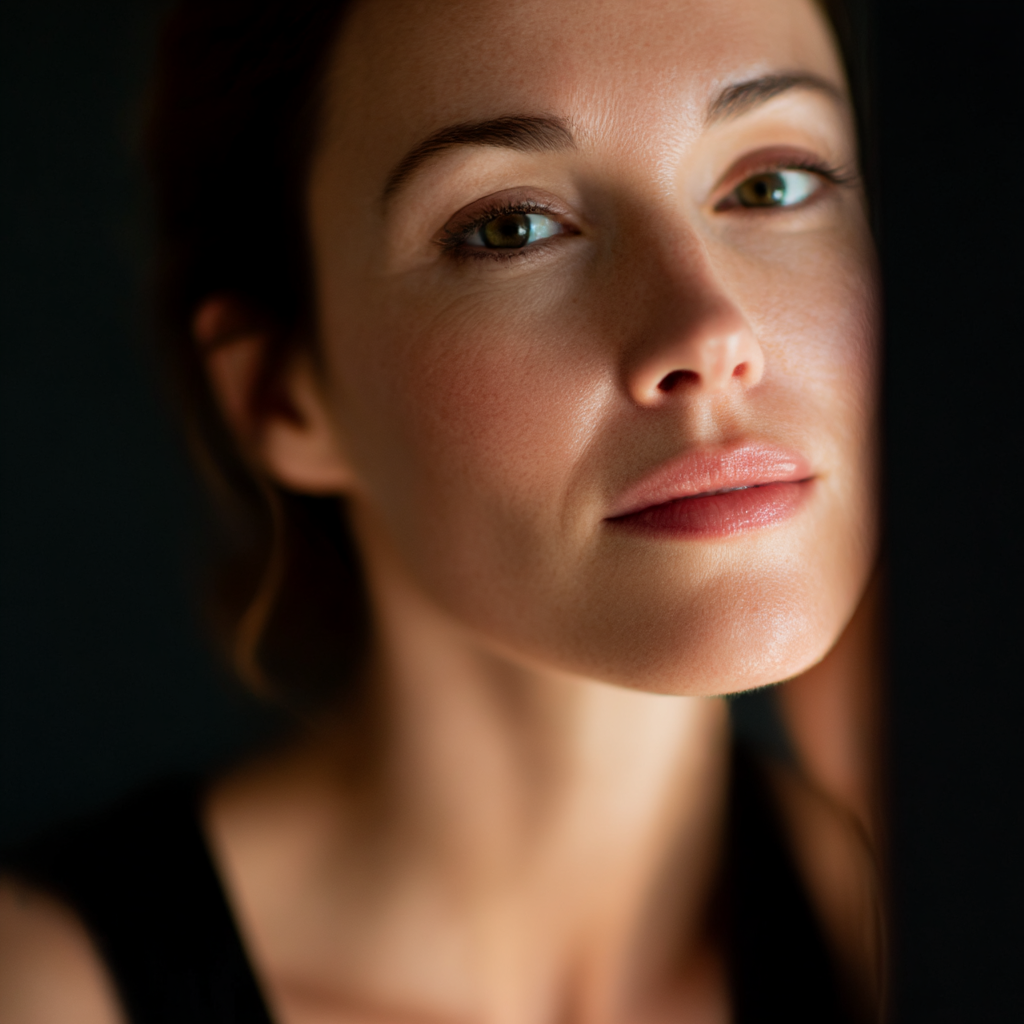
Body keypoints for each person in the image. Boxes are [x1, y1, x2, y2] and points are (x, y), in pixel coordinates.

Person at [0, 0, 884, 1021]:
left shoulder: (934, 921)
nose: (707, 328)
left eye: (770, 185)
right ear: (283, 395)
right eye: (511, 228)